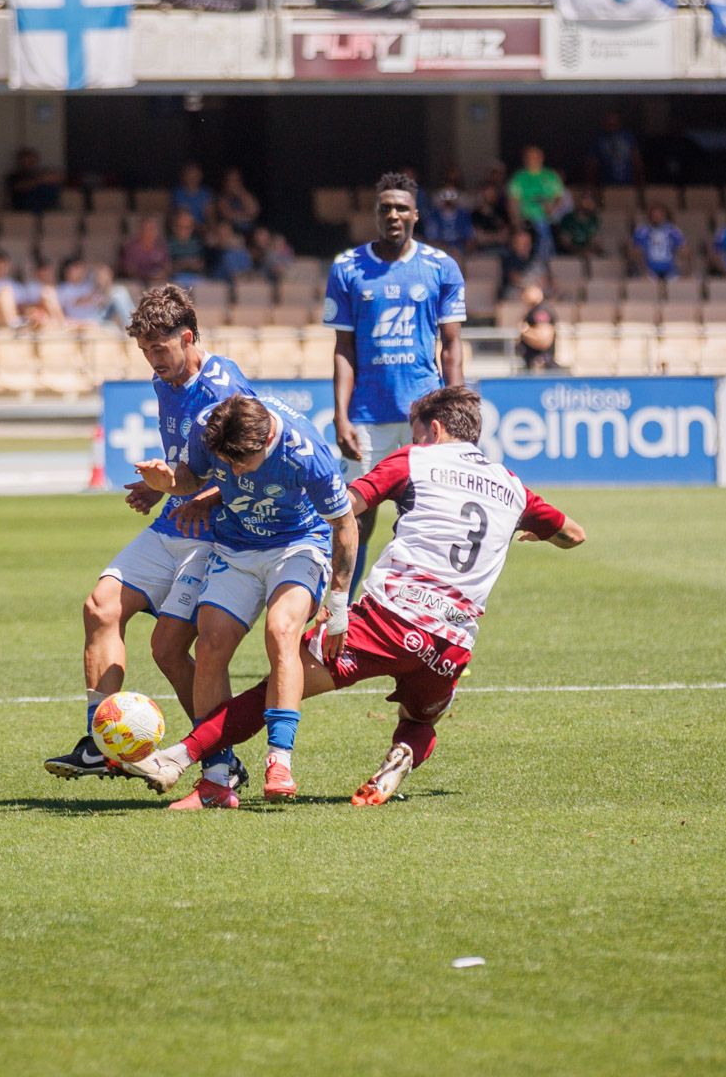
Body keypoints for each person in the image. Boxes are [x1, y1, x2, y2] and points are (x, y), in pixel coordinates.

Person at [121, 387, 583, 805]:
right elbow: (572, 535)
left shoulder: (413, 460)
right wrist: (534, 534)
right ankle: (402, 754)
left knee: (279, 686)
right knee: (420, 722)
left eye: (418, 432)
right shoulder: (512, 488)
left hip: (388, 620)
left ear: (434, 429)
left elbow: (348, 508)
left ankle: (179, 756)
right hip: (451, 645)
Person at [45, 286, 255, 787]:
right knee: (100, 607)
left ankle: (219, 757)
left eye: (160, 349)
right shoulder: (167, 381)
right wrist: (160, 488)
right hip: (177, 520)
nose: (152, 360)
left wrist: (199, 492)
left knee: (168, 648)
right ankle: (101, 744)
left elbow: (250, 465)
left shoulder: (225, 387)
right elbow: (190, 466)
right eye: (144, 351)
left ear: (188, 337)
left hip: (215, 533)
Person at [135, 393, 358, 806]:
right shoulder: (211, 426)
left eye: (241, 464)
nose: (233, 472)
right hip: (235, 546)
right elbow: (194, 477)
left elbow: (345, 526)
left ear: (265, 441)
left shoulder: (306, 453)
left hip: (297, 545)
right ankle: (217, 781)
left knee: (282, 631)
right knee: (211, 644)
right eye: (229, 464)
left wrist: (340, 602)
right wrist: (168, 483)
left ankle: (280, 760)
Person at [324, 171, 466, 602]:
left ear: (416, 215)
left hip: (424, 418)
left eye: (401, 207)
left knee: (424, 518)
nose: (393, 214)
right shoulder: (347, 268)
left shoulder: (440, 267)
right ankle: (338, 613)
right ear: (375, 213)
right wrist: (341, 415)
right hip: (367, 417)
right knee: (353, 516)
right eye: (385, 207)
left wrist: (455, 416)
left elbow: (452, 347)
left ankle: (425, 613)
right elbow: (343, 348)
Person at [506, 146, 566, 259]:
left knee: (549, 236)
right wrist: (517, 224)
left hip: (549, 220)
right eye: (529, 157)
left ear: (541, 158)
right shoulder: (519, 178)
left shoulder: (551, 176)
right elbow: (512, 202)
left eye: (536, 156)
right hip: (527, 221)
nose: (533, 159)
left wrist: (552, 208)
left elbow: (559, 197)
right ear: (525, 159)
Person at [629, 204, 685, 280]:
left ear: (664, 215)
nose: (657, 217)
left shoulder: (673, 230)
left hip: (670, 268)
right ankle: (644, 275)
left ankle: (684, 275)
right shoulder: (642, 231)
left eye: (659, 214)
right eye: (654, 215)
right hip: (649, 269)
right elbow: (636, 249)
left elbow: (682, 247)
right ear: (650, 216)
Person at [5, 148, 62, 213]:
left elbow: (57, 177)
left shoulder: (42, 172)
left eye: (32, 159)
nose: (30, 162)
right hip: (24, 205)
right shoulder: (14, 175)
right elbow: (19, 187)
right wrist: (39, 180)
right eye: (27, 160)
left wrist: (45, 179)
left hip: (47, 205)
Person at [516, 281, 556, 371]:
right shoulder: (532, 310)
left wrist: (525, 331)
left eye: (528, 291)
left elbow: (544, 341)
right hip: (531, 363)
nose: (524, 294)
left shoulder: (541, 311)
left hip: (541, 365)